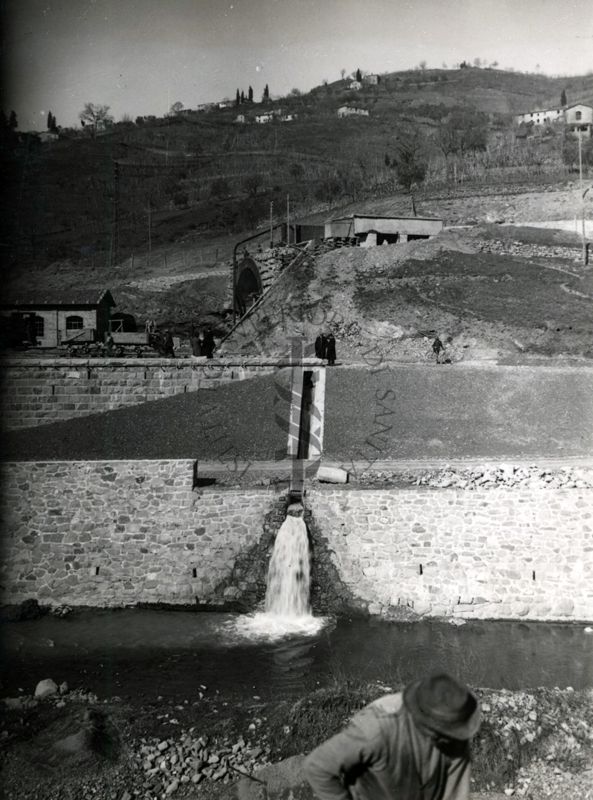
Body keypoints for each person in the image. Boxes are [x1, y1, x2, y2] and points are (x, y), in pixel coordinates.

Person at [304, 673, 480, 800]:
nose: (451, 739)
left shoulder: (456, 725)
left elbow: (455, 792)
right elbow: (317, 767)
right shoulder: (378, 728)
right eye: (442, 732)